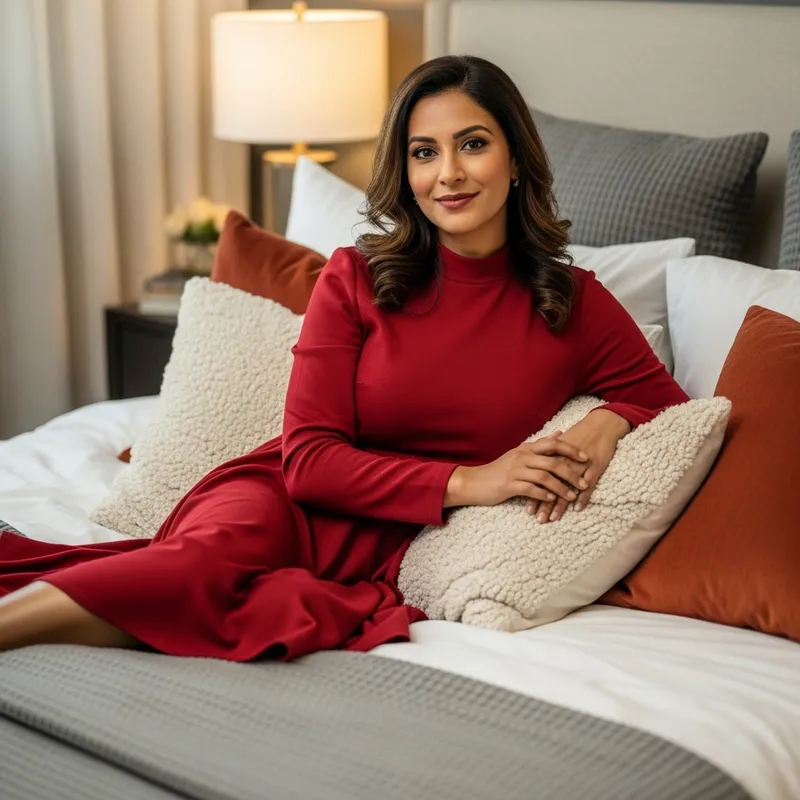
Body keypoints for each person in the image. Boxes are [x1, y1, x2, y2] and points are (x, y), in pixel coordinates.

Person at [0, 55, 688, 659]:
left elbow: (673, 409)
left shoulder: (573, 302)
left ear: (515, 160)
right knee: (197, 568)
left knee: (197, 597)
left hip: (381, 548)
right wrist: (473, 481)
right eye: (424, 152)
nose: (448, 174)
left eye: (472, 144)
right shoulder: (355, 277)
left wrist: (607, 421)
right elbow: (307, 462)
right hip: (279, 500)